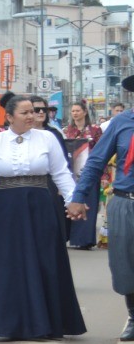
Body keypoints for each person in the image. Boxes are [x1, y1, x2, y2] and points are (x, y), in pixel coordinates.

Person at [0, 95, 86, 341]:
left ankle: (45, 323)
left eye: (34, 112)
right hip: (3, 209)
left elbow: (61, 173)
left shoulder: (47, 138)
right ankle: (6, 323)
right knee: (6, 263)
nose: (32, 116)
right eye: (25, 112)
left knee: (44, 259)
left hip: (39, 206)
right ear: (10, 117)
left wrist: (73, 201)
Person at [71, 75, 134, 340]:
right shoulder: (121, 123)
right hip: (125, 202)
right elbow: (96, 161)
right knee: (125, 264)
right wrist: (78, 196)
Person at [64, 101, 103, 249]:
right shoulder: (68, 131)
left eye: (78, 110)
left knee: (89, 204)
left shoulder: (95, 130)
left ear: (85, 112)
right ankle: (71, 237)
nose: (75, 113)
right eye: (73, 111)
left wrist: (104, 175)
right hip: (72, 173)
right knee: (71, 203)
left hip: (90, 173)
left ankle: (85, 239)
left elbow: (101, 152)